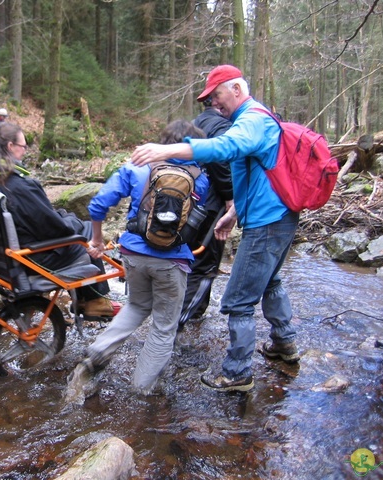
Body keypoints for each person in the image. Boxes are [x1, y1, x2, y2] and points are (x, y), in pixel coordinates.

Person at [131, 65, 300, 393]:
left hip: (268, 222)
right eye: (209, 99)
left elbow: (224, 148)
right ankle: (285, 344)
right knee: (271, 282)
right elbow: (256, 174)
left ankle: (237, 371)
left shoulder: (252, 118)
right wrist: (233, 212)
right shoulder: (251, 119)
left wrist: (170, 150)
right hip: (275, 216)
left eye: (216, 95)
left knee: (237, 299)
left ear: (236, 89)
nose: (213, 103)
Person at [66, 120, 210, 396]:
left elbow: (98, 204)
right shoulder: (199, 176)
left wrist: (96, 239)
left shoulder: (136, 168)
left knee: (136, 305)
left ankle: (97, 353)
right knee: (163, 327)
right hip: (172, 260)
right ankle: (141, 390)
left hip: (132, 253)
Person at [0, 127, 120, 318]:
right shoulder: (20, 185)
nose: (25, 151)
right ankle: (96, 301)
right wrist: (73, 220)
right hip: (31, 260)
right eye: (23, 146)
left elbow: (42, 217)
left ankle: (87, 299)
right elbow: (57, 229)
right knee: (85, 232)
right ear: (11, 146)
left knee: (75, 227)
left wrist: (61, 215)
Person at [178, 98, 234, 329]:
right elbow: (220, 160)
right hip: (210, 206)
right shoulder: (222, 126)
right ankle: (184, 321)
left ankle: (186, 315)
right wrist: (230, 195)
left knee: (186, 260)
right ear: (220, 107)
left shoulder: (192, 125)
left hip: (185, 201)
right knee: (206, 265)